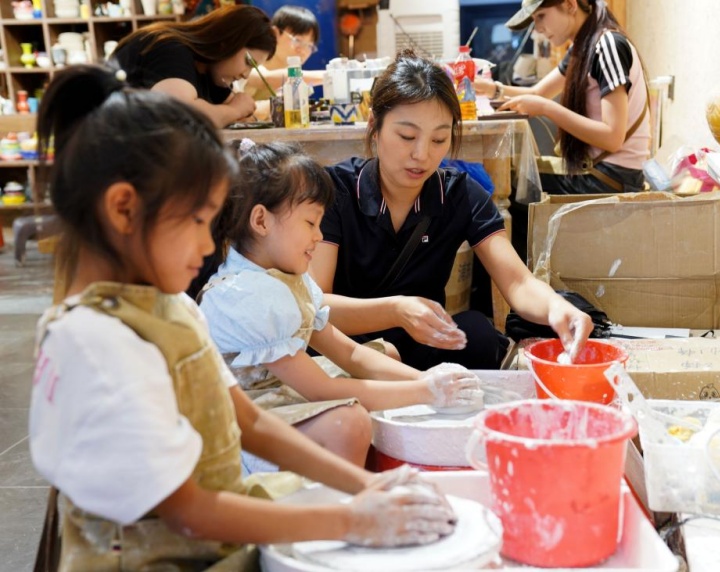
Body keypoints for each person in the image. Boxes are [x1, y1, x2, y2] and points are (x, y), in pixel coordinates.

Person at [28, 65, 457, 570]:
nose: (210, 245)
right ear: (124, 209)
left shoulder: (172, 305)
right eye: (196, 222)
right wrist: (352, 519)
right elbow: (192, 514)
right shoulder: (96, 345)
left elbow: (248, 421)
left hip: (209, 517)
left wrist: (368, 486)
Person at [195, 139, 484, 471]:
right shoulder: (246, 294)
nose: (319, 236)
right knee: (347, 422)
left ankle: (366, 464)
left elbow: (350, 353)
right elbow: (322, 390)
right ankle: (341, 502)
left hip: (283, 394)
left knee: (384, 352)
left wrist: (429, 378)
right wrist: (427, 393)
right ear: (261, 221)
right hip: (249, 424)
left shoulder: (286, 275)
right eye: (310, 223)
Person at [309, 51, 593, 371]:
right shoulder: (336, 190)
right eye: (407, 136)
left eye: (439, 139)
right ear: (375, 125)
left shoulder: (459, 194)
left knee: (479, 334)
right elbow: (316, 304)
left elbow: (518, 283)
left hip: (422, 343)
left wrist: (558, 307)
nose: (422, 154)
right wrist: (396, 310)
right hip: (348, 344)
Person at [475, 0, 651, 194]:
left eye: (541, 16)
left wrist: (545, 108)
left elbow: (612, 138)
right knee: (509, 177)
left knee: (506, 184)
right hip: (598, 172)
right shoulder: (584, 47)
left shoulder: (608, 46)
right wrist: (491, 89)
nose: (538, 29)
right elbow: (537, 93)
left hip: (611, 178)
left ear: (570, 5)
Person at [112, 5, 275, 128]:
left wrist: (238, 110)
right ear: (227, 43)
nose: (246, 75)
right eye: (248, 62)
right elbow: (180, 117)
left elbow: (238, 115)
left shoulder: (213, 73)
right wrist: (235, 110)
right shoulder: (170, 48)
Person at [246, 5, 325, 101]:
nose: (303, 51)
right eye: (298, 40)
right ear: (275, 33)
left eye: (309, 46)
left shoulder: (297, 79)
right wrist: (328, 75)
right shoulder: (254, 62)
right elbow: (267, 79)